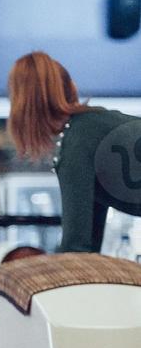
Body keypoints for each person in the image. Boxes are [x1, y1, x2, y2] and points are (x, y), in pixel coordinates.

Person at [8, 51, 141, 253]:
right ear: (68, 86)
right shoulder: (93, 125)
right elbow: (87, 246)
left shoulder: (75, 143)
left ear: (22, 101)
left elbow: (76, 246)